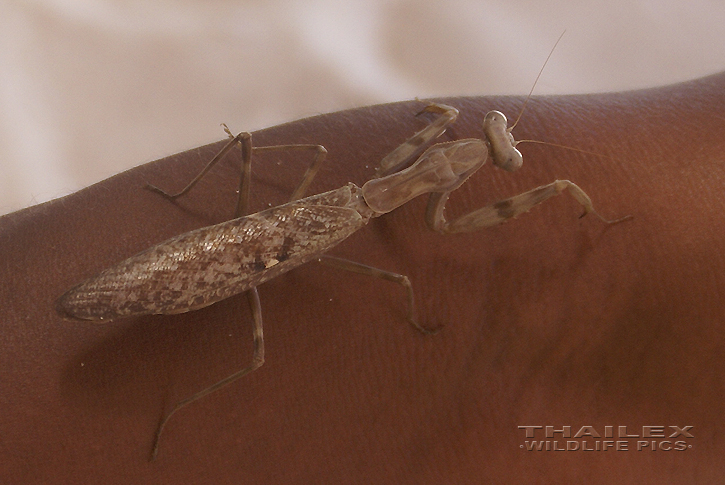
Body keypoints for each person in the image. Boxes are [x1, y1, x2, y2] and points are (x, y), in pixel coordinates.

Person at [1, 72, 721, 483]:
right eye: (494, 136)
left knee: (256, 156)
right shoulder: (427, 213)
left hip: (253, 236)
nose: (490, 145)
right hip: (259, 247)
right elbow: (437, 217)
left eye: (493, 148)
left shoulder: (366, 175)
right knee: (260, 349)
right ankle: (172, 413)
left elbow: (415, 140)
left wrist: (441, 119)